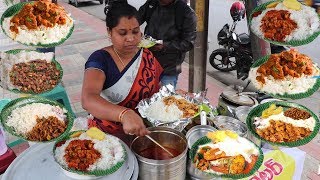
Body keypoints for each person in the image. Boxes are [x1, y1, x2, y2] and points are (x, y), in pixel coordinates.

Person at [81, 2, 163, 144]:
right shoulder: (100, 59)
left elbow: (156, 89)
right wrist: (124, 114)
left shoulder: (146, 55)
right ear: (109, 31)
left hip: (142, 132)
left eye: (135, 31)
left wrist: (174, 99)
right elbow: (88, 98)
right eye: (122, 33)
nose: (131, 38)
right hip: (107, 138)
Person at [138, 0, 197, 88]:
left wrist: (164, 46)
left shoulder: (186, 12)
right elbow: (136, 19)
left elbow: (188, 43)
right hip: (147, 63)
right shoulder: (151, 3)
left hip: (169, 68)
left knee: (165, 99)